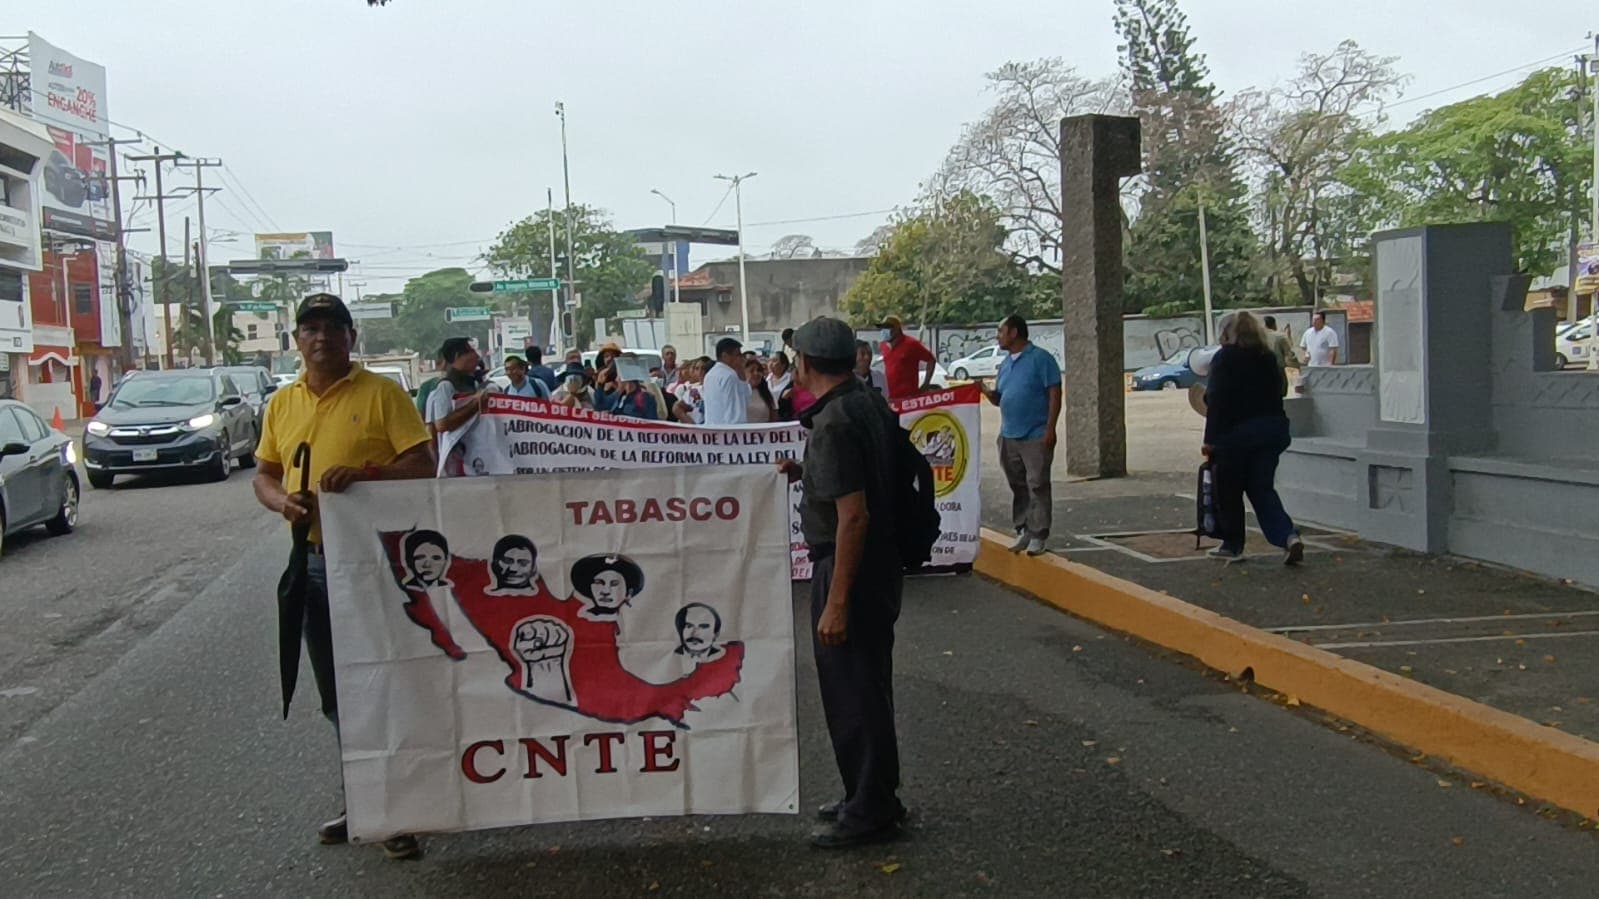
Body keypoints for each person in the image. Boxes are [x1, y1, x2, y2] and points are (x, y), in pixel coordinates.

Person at [250, 292, 434, 861]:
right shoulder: (282, 404)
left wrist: (367, 474)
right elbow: (263, 474)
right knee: (337, 693)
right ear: (296, 340)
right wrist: (284, 503)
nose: (321, 337)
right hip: (312, 565)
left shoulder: (383, 394)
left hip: (375, 566)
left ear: (352, 338)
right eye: (311, 328)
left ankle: (401, 807)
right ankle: (366, 799)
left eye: (333, 327)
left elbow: (424, 465)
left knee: (385, 685)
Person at [777, 315, 907, 849]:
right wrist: (807, 472)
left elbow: (853, 516)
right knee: (868, 687)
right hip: (880, 565)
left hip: (849, 564)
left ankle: (869, 810)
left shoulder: (831, 423)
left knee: (852, 692)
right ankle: (871, 793)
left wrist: (836, 602)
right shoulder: (865, 402)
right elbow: (867, 475)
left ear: (804, 363)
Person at [1203, 310, 1304, 565]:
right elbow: (1280, 389)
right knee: (1261, 487)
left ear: (1227, 333)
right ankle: (1288, 536)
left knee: (1229, 489)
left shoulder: (1225, 357)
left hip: (1237, 435)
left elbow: (1217, 400)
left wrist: (1209, 440)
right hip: (1273, 430)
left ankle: (1233, 545)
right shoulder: (1267, 357)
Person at [977, 315, 1061, 556]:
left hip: (1035, 434)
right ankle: (1023, 528)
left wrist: (1050, 427)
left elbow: (1054, 391)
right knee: (1018, 484)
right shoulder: (1005, 364)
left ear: (1014, 333)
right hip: (1009, 434)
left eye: (1000, 331)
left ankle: (1039, 534)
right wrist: (984, 391)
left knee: (1037, 483)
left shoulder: (1040, 359)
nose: (998, 336)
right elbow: (1000, 398)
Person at [426, 337, 494, 477]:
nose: (476, 356)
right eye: (472, 351)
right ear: (457, 356)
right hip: (455, 468)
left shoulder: (474, 385)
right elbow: (442, 424)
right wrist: (475, 405)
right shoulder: (445, 387)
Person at [877, 315, 936, 399]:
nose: (883, 331)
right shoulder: (883, 346)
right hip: (890, 397)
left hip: (909, 397)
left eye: (887, 328)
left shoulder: (912, 344)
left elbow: (931, 360)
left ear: (897, 329)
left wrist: (926, 383)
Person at [701, 337, 752, 425]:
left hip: (712, 429)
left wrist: (741, 370)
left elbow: (745, 397)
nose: (741, 358)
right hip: (729, 432)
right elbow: (736, 411)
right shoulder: (730, 376)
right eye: (738, 355)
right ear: (725, 356)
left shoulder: (710, 375)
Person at [767, 353, 796, 419]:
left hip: (784, 415)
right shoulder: (766, 379)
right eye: (769, 360)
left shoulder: (790, 379)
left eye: (774, 361)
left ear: (783, 365)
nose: (770, 363)